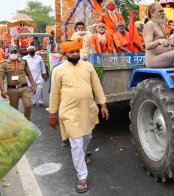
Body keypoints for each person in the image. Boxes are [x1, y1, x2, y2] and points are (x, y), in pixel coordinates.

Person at [48, 37, 109, 193]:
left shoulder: (88, 66)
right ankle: (82, 176)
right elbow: (54, 93)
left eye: (77, 51)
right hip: (68, 112)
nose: (75, 54)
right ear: (65, 53)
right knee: (75, 143)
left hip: (88, 109)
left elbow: (97, 86)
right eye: (72, 52)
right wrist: (52, 113)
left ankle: (82, 154)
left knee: (87, 137)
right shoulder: (58, 70)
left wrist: (103, 104)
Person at [143, 3, 174, 68]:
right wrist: (159, 41)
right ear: (152, 13)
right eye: (160, 11)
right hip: (153, 60)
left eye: (163, 11)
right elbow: (147, 46)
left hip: (163, 59)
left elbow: (168, 43)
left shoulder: (160, 25)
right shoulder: (150, 25)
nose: (162, 13)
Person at [0, 46, 36, 120]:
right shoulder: (4, 64)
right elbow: (1, 78)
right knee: (14, 110)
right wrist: (2, 90)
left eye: (15, 52)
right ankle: (17, 124)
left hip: (24, 88)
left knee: (28, 105)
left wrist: (33, 86)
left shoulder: (23, 62)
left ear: (17, 52)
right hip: (12, 90)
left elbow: (29, 74)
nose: (13, 54)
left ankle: (26, 120)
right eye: (12, 52)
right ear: (9, 54)